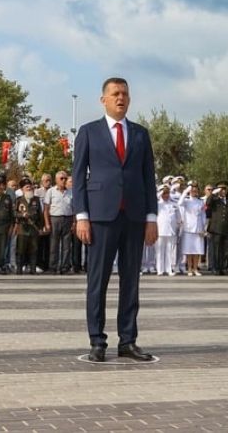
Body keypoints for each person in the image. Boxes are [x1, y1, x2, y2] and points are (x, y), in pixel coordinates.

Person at [72, 77, 158, 363]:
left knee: (131, 281)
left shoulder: (140, 134)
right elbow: (78, 177)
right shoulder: (88, 132)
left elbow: (148, 177)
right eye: (115, 93)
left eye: (125, 94)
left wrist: (151, 217)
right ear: (103, 100)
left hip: (133, 216)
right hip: (100, 216)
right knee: (98, 281)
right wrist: (81, 215)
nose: (120, 98)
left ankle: (128, 340)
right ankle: (97, 341)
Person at [44, 171, 74, 275]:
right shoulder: (51, 191)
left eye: (65, 178)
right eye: (61, 178)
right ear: (56, 180)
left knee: (66, 246)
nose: (64, 180)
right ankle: (53, 267)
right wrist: (47, 223)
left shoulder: (71, 192)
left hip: (68, 219)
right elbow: (46, 209)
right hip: (54, 219)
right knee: (53, 245)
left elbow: (74, 208)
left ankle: (65, 267)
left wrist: (74, 222)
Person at [13, 178, 46, 274]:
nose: (29, 188)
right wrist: (22, 215)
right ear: (22, 189)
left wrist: (41, 227)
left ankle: (33, 269)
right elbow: (13, 213)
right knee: (20, 250)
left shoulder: (36, 199)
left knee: (34, 249)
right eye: (27, 187)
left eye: (30, 186)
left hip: (34, 228)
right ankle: (19, 269)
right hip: (22, 228)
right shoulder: (19, 200)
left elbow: (40, 214)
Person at [178, 182, 206, 276]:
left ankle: (195, 269)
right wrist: (185, 191)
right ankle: (189, 269)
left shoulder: (201, 201)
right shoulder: (186, 200)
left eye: (196, 190)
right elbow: (179, 203)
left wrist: (203, 227)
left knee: (197, 250)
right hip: (188, 228)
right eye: (192, 190)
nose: (194, 192)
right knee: (189, 250)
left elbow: (203, 215)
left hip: (198, 228)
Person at [206, 182, 228, 275]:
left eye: (224, 189)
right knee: (216, 249)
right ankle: (216, 267)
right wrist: (213, 193)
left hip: (226, 229)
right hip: (216, 229)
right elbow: (207, 203)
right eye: (221, 189)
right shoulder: (214, 200)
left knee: (225, 250)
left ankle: (224, 267)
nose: (223, 191)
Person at [155, 184, 180, 276]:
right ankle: (160, 269)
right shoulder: (158, 203)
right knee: (159, 251)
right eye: (164, 194)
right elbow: (154, 199)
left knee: (170, 251)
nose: (166, 195)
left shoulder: (173, 203)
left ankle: (169, 269)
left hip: (171, 230)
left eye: (167, 193)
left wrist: (178, 223)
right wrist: (161, 191)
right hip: (160, 230)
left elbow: (178, 216)